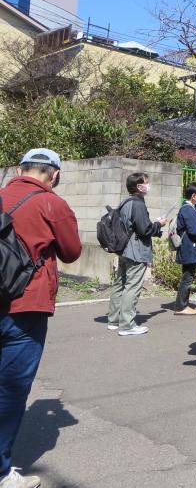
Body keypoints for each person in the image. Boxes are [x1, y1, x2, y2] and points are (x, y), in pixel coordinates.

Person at [0, 148, 82, 488]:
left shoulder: (2, 195)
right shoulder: (52, 204)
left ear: (20, 169)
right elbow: (72, 252)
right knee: (10, 389)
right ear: (55, 174)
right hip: (24, 307)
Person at [107, 173, 167, 336]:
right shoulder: (138, 204)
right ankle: (127, 325)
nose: (148, 185)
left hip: (124, 248)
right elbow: (145, 229)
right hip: (136, 250)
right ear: (139, 186)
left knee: (120, 283)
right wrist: (158, 224)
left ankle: (113, 319)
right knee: (132, 287)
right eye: (146, 183)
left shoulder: (125, 201)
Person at [173, 183, 196, 316]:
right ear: (193, 196)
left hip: (189, 247)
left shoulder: (191, 208)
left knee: (188, 276)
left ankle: (182, 304)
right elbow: (194, 230)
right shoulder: (187, 209)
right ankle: (181, 306)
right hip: (189, 247)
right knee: (187, 277)